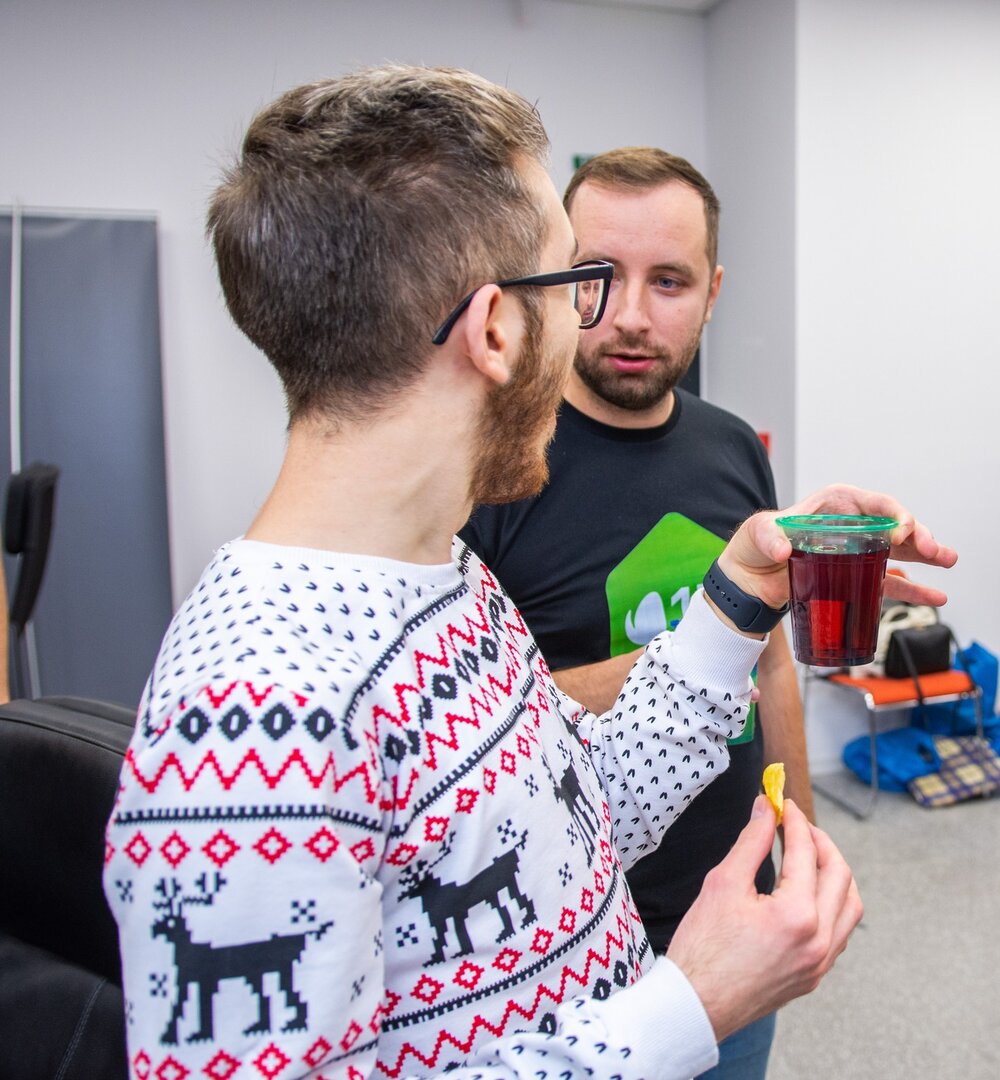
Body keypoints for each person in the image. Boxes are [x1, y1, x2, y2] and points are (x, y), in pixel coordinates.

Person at [101, 65, 956, 1080]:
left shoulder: (445, 577)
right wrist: (688, 1007)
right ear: (499, 330)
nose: (606, 320)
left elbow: (572, 817)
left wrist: (737, 598)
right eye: (576, 282)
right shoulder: (252, 715)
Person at [460, 145, 803, 1080]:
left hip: (729, 911)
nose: (632, 317)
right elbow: (468, 729)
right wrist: (691, 653)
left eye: (670, 282)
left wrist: (797, 839)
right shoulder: (496, 466)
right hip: (564, 933)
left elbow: (774, 662)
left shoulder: (735, 448)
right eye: (598, 277)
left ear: (713, 292)